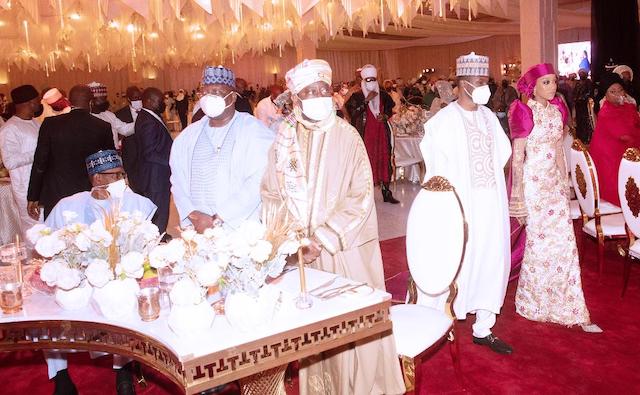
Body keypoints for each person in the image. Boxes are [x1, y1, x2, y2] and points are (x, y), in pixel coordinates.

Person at [261, 58, 405, 395]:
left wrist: (321, 239)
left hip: (345, 251)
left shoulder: (348, 136)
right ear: (295, 98)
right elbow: (270, 192)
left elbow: (359, 198)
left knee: (352, 330)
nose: (318, 96)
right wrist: (290, 237)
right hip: (301, 255)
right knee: (316, 334)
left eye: (323, 90)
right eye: (309, 92)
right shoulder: (285, 141)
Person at [420, 52, 513, 354]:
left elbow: (503, 154)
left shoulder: (489, 117)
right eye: (478, 81)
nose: (484, 86)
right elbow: (434, 168)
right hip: (459, 206)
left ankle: (483, 327)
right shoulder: (443, 122)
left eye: (486, 81)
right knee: (456, 261)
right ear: (462, 84)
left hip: (490, 204)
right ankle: (436, 322)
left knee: (491, 258)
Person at [44, 150, 154, 395]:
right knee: (49, 309)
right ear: (96, 179)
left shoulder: (134, 202)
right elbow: (45, 241)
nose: (122, 180)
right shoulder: (68, 205)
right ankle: (61, 375)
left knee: (121, 294)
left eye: (121, 174)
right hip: (78, 280)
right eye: (114, 175)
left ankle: (122, 370)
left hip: (115, 279)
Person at [508, 63, 601, 333]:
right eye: (546, 82)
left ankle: (571, 307)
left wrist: (565, 181)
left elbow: (560, 151)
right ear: (533, 86)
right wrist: (518, 198)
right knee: (539, 247)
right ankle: (532, 303)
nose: (552, 87)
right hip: (534, 187)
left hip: (554, 188)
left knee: (565, 244)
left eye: (553, 81)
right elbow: (518, 157)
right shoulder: (524, 112)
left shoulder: (557, 111)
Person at [170, 66, 274, 232]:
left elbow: (259, 180)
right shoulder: (187, 137)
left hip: (239, 227)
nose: (210, 97)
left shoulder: (255, 132)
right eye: (205, 92)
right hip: (198, 228)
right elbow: (177, 180)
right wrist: (193, 215)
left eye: (217, 92)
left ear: (232, 97)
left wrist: (219, 218)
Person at [27, 84, 114, 220]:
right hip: (88, 194)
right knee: (88, 234)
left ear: (70, 102)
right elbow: (109, 166)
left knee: (57, 236)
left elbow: (40, 162)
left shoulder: (50, 124)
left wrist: (33, 196)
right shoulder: (102, 126)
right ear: (91, 103)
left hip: (57, 193)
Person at [345, 64, 399, 204]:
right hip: (365, 133)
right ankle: (365, 195)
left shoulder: (384, 95)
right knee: (365, 162)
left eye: (373, 79)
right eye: (367, 80)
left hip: (381, 133)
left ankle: (386, 192)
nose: (371, 82)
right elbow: (352, 112)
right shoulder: (357, 96)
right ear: (363, 80)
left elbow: (390, 108)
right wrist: (365, 102)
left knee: (384, 159)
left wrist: (385, 116)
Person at [589, 72, 640, 206]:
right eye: (612, 91)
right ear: (605, 95)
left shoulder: (629, 107)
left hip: (625, 151)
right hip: (610, 159)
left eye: (620, 90)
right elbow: (625, 136)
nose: (618, 94)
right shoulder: (606, 112)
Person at [0, 85, 42, 235]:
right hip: (25, 188)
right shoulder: (9, 129)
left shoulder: (35, 123)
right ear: (29, 103)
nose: (39, 104)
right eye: (38, 100)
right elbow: (10, 161)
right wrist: (39, 153)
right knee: (34, 231)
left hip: (40, 185)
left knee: (46, 230)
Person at [131, 87, 172, 235]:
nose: (163, 103)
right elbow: (149, 153)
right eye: (160, 101)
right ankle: (157, 238)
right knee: (159, 209)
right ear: (149, 101)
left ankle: (159, 234)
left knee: (160, 209)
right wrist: (171, 161)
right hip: (155, 176)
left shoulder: (150, 116)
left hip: (157, 174)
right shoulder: (147, 120)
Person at [88, 82, 135, 149]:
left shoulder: (109, 115)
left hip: (114, 155)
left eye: (105, 98)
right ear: (91, 101)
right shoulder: (85, 118)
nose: (105, 102)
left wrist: (141, 122)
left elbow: (124, 129)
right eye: (101, 99)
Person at [115, 86, 143, 178]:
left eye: (140, 97)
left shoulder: (147, 111)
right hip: (130, 155)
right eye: (135, 98)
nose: (138, 100)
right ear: (128, 99)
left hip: (146, 154)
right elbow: (119, 134)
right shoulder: (120, 114)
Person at [573, 68, 594, 143]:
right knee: (579, 121)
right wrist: (575, 98)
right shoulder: (577, 83)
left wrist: (582, 98)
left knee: (586, 121)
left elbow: (590, 93)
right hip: (578, 105)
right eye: (580, 74)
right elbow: (575, 92)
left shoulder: (588, 82)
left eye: (583, 73)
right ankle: (580, 137)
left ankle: (586, 138)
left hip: (585, 105)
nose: (581, 75)